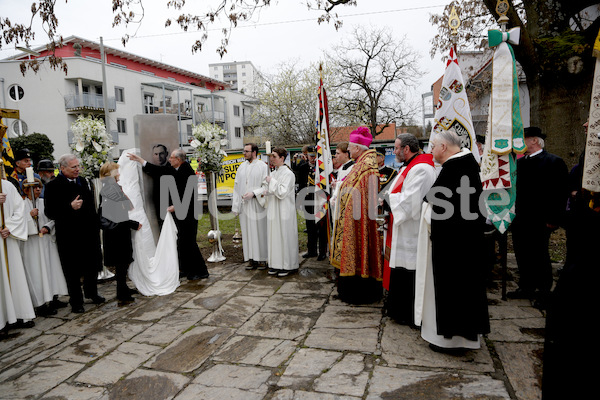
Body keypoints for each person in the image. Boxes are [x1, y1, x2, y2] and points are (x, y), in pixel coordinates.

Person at [415, 129, 490, 352]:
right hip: (461, 241)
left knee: (454, 291)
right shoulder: (464, 164)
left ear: (443, 147)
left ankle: (453, 341)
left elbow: (440, 205)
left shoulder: (456, 168)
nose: (431, 151)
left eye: (433, 146)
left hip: (455, 245)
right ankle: (459, 337)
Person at [509, 126, 568, 309]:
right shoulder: (521, 162)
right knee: (522, 253)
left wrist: (554, 218)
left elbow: (560, 193)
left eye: (523, 139)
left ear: (534, 140)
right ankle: (526, 287)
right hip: (521, 218)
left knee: (539, 255)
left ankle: (544, 291)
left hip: (541, 219)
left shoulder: (553, 162)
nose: (520, 143)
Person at [127, 149, 209, 281]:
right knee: (182, 242)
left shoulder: (187, 172)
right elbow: (158, 171)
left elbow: (189, 195)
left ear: (178, 160)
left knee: (189, 243)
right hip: (181, 214)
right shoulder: (174, 169)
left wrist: (176, 206)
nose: (169, 160)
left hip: (189, 215)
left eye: (171, 158)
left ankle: (201, 271)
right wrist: (139, 160)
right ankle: (186, 269)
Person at [382, 133, 436, 326]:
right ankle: (399, 310)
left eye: (396, 148)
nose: (394, 151)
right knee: (402, 268)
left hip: (412, 229)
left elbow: (410, 200)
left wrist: (388, 200)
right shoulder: (411, 166)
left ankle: (408, 313)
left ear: (406, 149)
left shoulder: (421, 168)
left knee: (409, 270)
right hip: (404, 227)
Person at [44, 154, 104, 313]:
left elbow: (91, 205)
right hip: (69, 235)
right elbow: (50, 212)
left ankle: (92, 293)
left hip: (88, 231)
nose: (78, 169)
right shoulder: (53, 186)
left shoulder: (83, 181)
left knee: (91, 265)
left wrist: (96, 224)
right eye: (74, 167)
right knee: (72, 270)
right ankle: (76, 301)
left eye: (78, 166)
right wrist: (69, 206)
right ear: (62, 168)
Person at [330, 127, 383, 304]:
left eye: (351, 147)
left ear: (358, 148)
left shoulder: (365, 165)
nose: (349, 150)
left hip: (359, 218)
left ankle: (359, 292)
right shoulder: (361, 163)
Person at [21, 179, 68, 316]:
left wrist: (48, 226)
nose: (38, 190)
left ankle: (53, 297)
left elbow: (53, 217)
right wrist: (29, 217)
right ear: (26, 189)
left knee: (50, 269)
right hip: (32, 243)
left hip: (46, 241)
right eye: (35, 188)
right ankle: (40, 303)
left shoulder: (43, 203)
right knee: (37, 272)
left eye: (39, 188)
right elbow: (18, 222)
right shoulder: (22, 205)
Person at [98, 162, 142, 304]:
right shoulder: (110, 188)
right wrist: (133, 224)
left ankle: (122, 289)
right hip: (117, 231)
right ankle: (122, 293)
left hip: (119, 230)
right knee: (121, 262)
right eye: (116, 170)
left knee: (122, 263)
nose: (119, 172)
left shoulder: (112, 187)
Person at [0, 178, 36, 329]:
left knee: (14, 275)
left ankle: (20, 314)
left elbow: (19, 209)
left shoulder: (7, 185)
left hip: (8, 239)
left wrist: (9, 227)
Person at [262, 147, 299, 277]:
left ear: (282, 158)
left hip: (284, 209)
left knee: (284, 236)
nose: (272, 159)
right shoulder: (273, 172)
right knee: (275, 236)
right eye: (271, 156)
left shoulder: (288, 174)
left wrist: (271, 182)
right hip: (274, 209)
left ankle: (288, 265)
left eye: (274, 156)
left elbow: (282, 192)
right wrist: (266, 190)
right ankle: (276, 264)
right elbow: (271, 189)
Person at [231, 143, 268, 270]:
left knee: (259, 231)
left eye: (247, 151)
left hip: (257, 204)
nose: (244, 153)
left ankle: (262, 258)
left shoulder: (263, 166)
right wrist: (235, 206)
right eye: (244, 151)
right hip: (244, 205)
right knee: (247, 232)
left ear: (254, 152)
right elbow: (236, 187)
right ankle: (251, 258)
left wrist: (254, 193)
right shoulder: (241, 167)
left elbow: (266, 186)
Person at [304, 146, 328, 261]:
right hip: (308, 200)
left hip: (319, 201)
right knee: (310, 227)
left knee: (321, 227)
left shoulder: (322, 170)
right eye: (310, 156)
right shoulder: (304, 167)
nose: (312, 159)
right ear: (307, 156)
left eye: (314, 156)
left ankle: (322, 251)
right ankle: (311, 250)